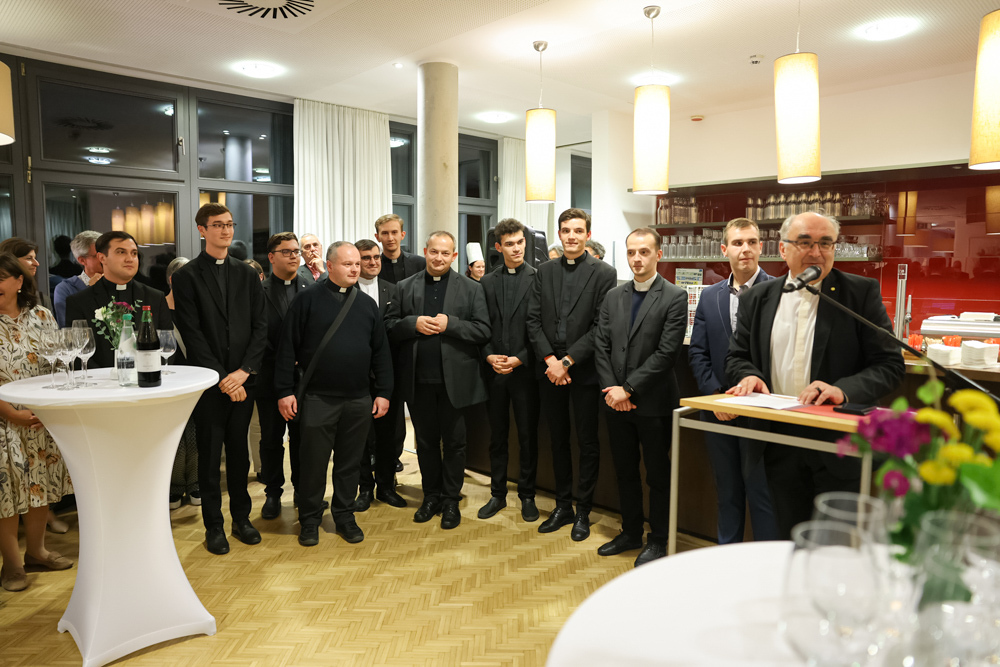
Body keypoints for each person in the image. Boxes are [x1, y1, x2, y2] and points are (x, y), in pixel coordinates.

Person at [726, 212, 905, 539]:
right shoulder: (757, 298)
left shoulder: (858, 293)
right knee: (789, 539)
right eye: (805, 243)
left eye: (825, 243)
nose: (817, 252)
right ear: (783, 249)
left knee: (835, 545)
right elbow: (737, 357)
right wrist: (748, 376)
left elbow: (889, 365)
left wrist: (842, 390)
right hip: (779, 440)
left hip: (839, 444)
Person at [276, 242, 393, 547]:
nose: (355, 269)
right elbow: (287, 349)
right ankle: (310, 519)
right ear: (329, 266)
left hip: (358, 399)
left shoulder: (366, 304)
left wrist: (383, 392)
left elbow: (381, 352)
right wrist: (284, 391)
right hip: (318, 398)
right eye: (347, 264)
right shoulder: (306, 300)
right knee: (313, 464)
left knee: (349, 464)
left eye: (357, 264)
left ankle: (344, 515)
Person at [171, 203, 268, 555]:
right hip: (210, 385)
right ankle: (214, 526)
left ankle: (242, 519)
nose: (226, 230)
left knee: (240, 455)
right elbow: (192, 333)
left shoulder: (247, 274)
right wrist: (223, 378)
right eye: (217, 225)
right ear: (202, 230)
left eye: (229, 224)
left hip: (244, 381)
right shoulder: (186, 276)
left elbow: (261, 326)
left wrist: (243, 372)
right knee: (210, 458)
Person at [594, 227, 687, 566]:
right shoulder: (613, 296)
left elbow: (667, 354)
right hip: (616, 402)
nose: (637, 258)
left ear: (658, 254)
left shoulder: (675, 296)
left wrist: (628, 389)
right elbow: (601, 345)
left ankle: (658, 539)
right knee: (625, 471)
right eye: (632, 252)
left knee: (657, 475)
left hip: (654, 403)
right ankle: (631, 531)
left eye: (644, 252)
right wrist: (612, 390)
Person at [386, 231, 490, 529]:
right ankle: (431, 496)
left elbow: (483, 330)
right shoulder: (405, 287)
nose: (439, 258)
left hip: (456, 382)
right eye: (434, 252)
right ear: (425, 251)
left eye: (446, 253)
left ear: (454, 256)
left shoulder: (472, 288)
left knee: (455, 443)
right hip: (418, 380)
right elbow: (389, 326)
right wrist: (413, 323)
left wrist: (451, 324)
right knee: (425, 442)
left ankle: (451, 500)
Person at [526, 208, 617, 540]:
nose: (572, 236)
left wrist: (566, 362)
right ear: (559, 234)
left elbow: (600, 326)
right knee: (558, 440)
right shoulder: (544, 270)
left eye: (578, 231)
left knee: (587, 443)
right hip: (550, 371)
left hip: (584, 371)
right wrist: (551, 360)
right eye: (566, 230)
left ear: (588, 235)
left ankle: (583, 512)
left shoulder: (604, 272)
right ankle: (562, 506)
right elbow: (533, 320)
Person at [688, 218, 779, 544]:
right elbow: (697, 352)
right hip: (718, 411)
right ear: (724, 249)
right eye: (738, 243)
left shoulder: (779, 292)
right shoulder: (709, 296)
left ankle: (768, 562)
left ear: (761, 248)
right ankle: (728, 558)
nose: (745, 249)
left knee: (763, 493)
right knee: (727, 492)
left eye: (752, 242)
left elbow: (781, 355)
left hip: (762, 411)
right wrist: (717, 397)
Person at [0, 253, 73, 592]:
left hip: (40, 418)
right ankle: (12, 565)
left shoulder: (41, 315)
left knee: (39, 488)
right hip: (4, 421)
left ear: (19, 281)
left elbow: (58, 363)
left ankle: (37, 552)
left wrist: (48, 407)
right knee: (7, 495)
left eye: (1, 278)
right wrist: (10, 412)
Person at [478, 219, 540, 522]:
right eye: (509, 244)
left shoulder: (539, 279)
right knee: (497, 436)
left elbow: (541, 328)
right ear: (498, 247)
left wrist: (520, 359)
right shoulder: (487, 282)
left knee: (528, 437)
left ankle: (527, 496)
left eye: (520, 242)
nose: (516, 249)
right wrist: (489, 356)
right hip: (495, 372)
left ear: (525, 242)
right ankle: (497, 494)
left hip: (525, 372)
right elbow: (482, 324)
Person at [257, 232, 310, 520]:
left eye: (296, 251)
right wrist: (286, 357)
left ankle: (303, 491)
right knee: (271, 439)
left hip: (305, 379)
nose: (293, 256)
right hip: (270, 377)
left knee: (303, 439)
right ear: (271, 257)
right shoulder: (259, 291)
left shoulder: (311, 287)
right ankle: (273, 493)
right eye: (286, 251)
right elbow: (256, 335)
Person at [64, 231, 171, 369]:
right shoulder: (79, 302)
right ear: (102, 258)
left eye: (134, 253)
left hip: (148, 376)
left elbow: (166, 344)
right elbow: (77, 352)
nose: (130, 259)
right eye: (121, 252)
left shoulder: (154, 297)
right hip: (98, 380)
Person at [353, 239, 407, 511]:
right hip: (356, 376)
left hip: (388, 373)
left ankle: (387, 486)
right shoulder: (347, 289)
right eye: (366, 258)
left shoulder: (394, 290)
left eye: (376, 257)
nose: (373, 262)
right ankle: (364, 488)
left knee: (389, 434)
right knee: (360, 436)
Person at [164, 257, 199, 510]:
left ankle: (195, 483)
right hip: (170, 380)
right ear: (172, 280)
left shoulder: (197, 307)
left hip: (197, 377)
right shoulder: (159, 306)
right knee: (176, 436)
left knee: (196, 434)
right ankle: (175, 487)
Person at [52, 231, 102, 327]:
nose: (105, 258)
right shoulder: (65, 288)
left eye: (107, 253)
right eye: (97, 255)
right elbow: (68, 329)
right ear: (82, 260)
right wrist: (92, 290)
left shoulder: (118, 282)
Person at [0, 238, 52, 311]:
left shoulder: (41, 299)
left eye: (35, 258)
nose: (37, 263)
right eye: (29, 258)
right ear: (10, 260)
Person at [376, 214, 425, 284]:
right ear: (377, 237)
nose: (390, 238)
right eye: (385, 233)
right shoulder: (373, 266)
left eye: (394, 232)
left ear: (402, 235)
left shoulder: (420, 264)